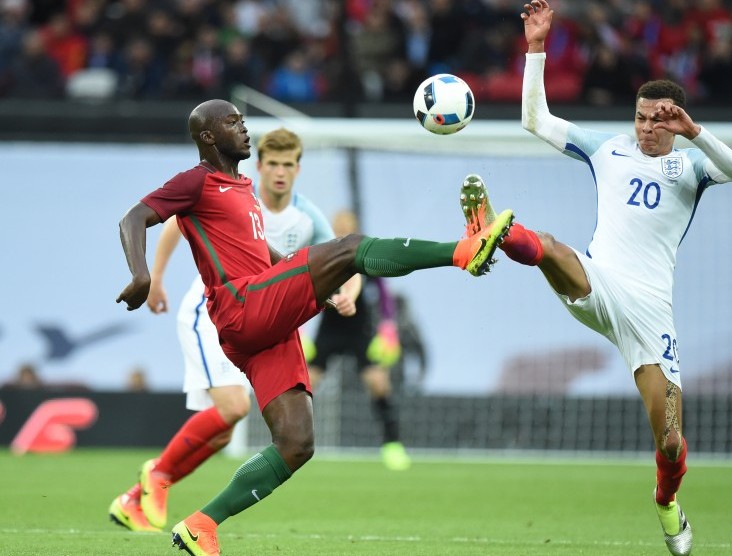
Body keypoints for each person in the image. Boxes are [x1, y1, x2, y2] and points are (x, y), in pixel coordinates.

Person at [115, 98, 514, 555]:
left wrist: (308, 282)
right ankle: (464, 250)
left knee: (297, 443)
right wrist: (143, 275)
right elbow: (134, 218)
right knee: (349, 248)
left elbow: (259, 253)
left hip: (262, 323)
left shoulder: (242, 187)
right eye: (232, 122)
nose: (244, 129)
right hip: (242, 305)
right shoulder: (196, 181)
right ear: (207, 137)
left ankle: (202, 524)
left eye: (244, 121)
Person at [456, 3, 732, 556]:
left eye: (658, 120)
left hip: (651, 315)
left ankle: (666, 505)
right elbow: (535, 121)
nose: (645, 128)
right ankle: (492, 231)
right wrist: (536, 47)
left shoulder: (691, 167)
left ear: (675, 123)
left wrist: (696, 133)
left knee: (669, 440)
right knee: (554, 250)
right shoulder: (607, 148)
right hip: (597, 280)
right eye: (640, 117)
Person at [108, 127, 361, 534]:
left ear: (298, 170)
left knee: (225, 431)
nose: (279, 172)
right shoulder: (231, 190)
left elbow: (346, 257)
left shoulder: (306, 215)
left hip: (260, 317)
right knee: (233, 409)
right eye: (272, 163)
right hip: (216, 311)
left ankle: (136, 498)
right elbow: (176, 220)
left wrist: (345, 291)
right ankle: (155, 479)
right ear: (259, 166)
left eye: (288, 165)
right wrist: (155, 275)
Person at [305, 209, 412, 471]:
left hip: (359, 330)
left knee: (378, 383)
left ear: (355, 228)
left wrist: (388, 327)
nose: (342, 229)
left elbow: (384, 293)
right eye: (338, 225)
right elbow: (301, 290)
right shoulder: (321, 255)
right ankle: (294, 442)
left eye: (347, 225)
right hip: (329, 329)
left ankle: (392, 445)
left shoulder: (364, 254)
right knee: (306, 384)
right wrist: (300, 330)